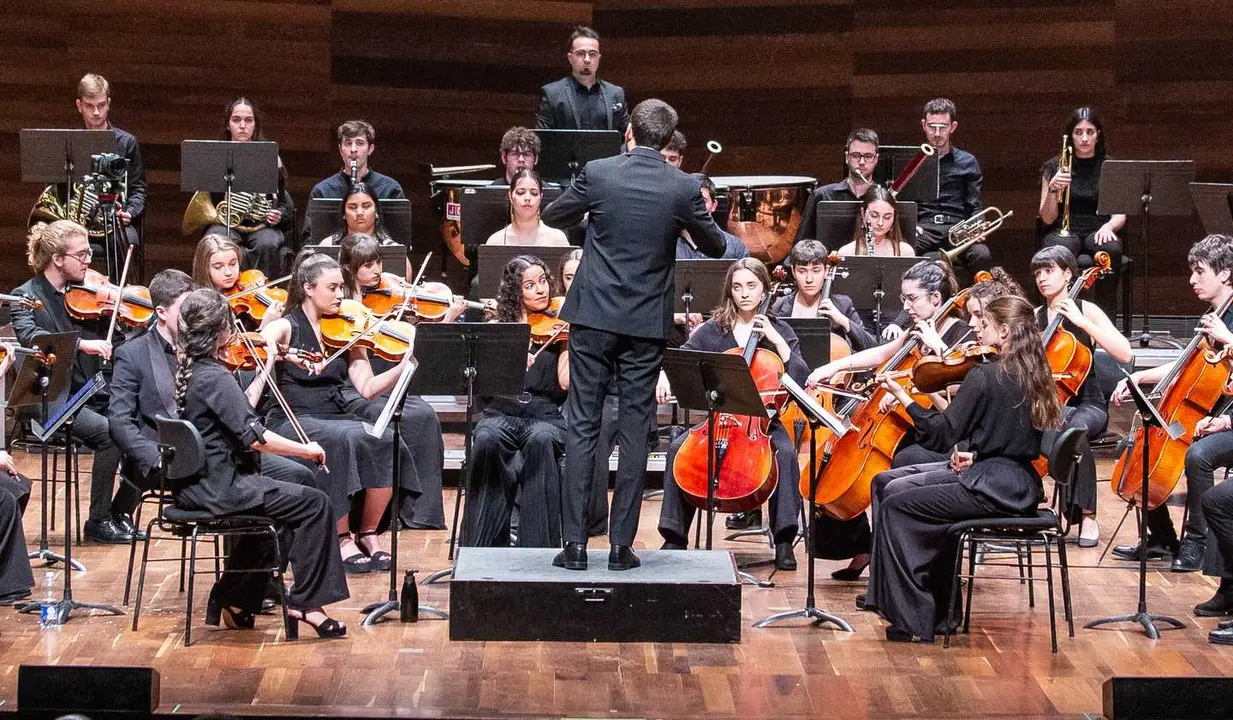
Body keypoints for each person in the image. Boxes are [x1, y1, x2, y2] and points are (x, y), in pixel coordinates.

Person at [542, 98, 725, 571]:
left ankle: (576, 546)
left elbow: (555, 215)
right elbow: (716, 245)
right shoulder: (683, 186)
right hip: (645, 323)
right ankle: (622, 548)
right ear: (668, 141)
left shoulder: (599, 173)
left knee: (581, 425)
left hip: (594, 317)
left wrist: (594, 227)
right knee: (636, 430)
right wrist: (681, 222)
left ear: (628, 131)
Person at [861, 294, 1062, 642]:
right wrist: (978, 455)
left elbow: (942, 435)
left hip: (993, 489)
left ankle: (915, 619)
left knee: (896, 503)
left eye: (983, 325)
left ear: (1004, 331)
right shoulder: (1035, 370)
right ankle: (936, 610)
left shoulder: (985, 375)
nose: (975, 329)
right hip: (1013, 482)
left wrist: (906, 398)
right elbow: (1014, 436)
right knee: (886, 482)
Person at [172, 288, 347, 638]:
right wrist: (306, 449)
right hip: (221, 488)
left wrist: (266, 364)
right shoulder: (215, 377)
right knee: (315, 505)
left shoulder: (198, 371)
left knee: (280, 514)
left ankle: (234, 600)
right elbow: (256, 438)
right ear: (219, 331)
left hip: (201, 484)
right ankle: (307, 603)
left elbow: (242, 410)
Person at [260, 251, 422, 573]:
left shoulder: (348, 331)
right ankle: (341, 536)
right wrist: (278, 347)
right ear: (308, 288)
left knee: (385, 438)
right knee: (344, 439)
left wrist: (405, 365)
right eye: (332, 288)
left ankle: (369, 532)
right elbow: (266, 338)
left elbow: (367, 388)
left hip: (334, 413)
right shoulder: (287, 326)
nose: (340, 295)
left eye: (341, 288)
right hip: (293, 418)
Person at [805, 260, 968, 580]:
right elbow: (882, 354)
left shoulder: (960, 334)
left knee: (889, 470)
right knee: (835, 461)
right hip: (904, 422)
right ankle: (865, 549)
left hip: (938, 432)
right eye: (903, 298)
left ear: (936, 299)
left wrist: (938, 352)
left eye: (911, 299)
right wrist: (832, 368)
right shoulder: (917, 330)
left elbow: (959, 397)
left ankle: (892, 568)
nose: (905, 306)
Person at [108, 268, 319, 506]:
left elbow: (238, 409)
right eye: (186, 309)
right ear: (161, 313)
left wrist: (273, 359)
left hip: (224, 452)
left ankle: (253, 540)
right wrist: (156, 458)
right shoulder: (133, 354)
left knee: (299, 475)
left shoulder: (211, 349)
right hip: (176, 459)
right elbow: (120, 420)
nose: (194, 316)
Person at [656, 259, 808, 570]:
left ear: (765, 288)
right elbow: (683, 359)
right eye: (737, 287)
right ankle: (674, 535)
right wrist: (663, 374)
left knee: (786, 455)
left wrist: (778, 342)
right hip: (720, 419)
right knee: (676, 449)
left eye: (751, 286)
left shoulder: (778, 329)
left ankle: (783, 540)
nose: (744, 294)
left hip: (763, 424)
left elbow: (800, 375)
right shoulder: (715, 328)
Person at [1111, 234, 1233, 572]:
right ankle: (1163, 537)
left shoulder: (1227, 320)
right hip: (1202, 411)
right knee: (1136, 444)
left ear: (1224, 274)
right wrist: (1140, 377)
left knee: (1199, 455)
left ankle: (1197, 540)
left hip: (1224, 416)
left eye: (1199, 271)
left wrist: (1229, 338)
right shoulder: (1216, 313)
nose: (1192, 280)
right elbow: (1189, 364)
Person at [11, 220, 132, 544]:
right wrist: (81, 343)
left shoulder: (84, 292)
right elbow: (31, 337)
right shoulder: (26, 296)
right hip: (48, 395)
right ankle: (98, 522)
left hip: (90, 388)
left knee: (141, 426)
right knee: (111, 435)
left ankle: (120, 513)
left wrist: (115, 301)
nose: (88, 261)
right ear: (57, 259)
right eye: (81, 255)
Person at [337, 233, 453, 529]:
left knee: (425, 416)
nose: (376, 270)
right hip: (358, 385)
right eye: (367, 265)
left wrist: (446, 316)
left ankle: (421, 514)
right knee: (393, 418)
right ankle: (383, 515)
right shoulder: (341, 302)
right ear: (350, 268)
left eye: (377, 262)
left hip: (392, 378)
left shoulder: (390, 288)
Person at [462, 255, 569, 547]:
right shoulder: (498, 324)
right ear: (515, 291)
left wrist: (571, 342)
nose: (541, 290)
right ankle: (482, 545)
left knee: (541, 439)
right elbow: (483, 381)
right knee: (486, 437)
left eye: (543, 281)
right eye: (530, 285)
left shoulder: (560, 327)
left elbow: (564, 382)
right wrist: (509, 356)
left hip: (544, 415)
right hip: (501, 411)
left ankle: (537, 547)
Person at [1032, 246, 1132, 547]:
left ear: (1067, 273)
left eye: (1048, 271)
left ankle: (1086, 516)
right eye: (1037, 273)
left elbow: (1124, 352)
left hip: (1088, 403)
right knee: (1059, 426)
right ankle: (1046, 508)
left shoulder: (1086, 310)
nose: (1042, 278)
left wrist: (1082, 322)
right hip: (1049, 405)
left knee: (1071, 430)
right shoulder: (1035, 317)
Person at [1038, 106, 1126, 314]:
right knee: (1059, 252)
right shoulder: (1054, 167)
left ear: (1098, 135)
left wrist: (1110, 226)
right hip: (1064, 229)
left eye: (1090, 132)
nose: (1085, 138)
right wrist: (1053, 189)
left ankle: (1106, 318)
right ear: (1070, 137)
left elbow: (1120, 214)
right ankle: (1057, 317)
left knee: (1111, 248)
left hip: (1099, 228)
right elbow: (1047, 218)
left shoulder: (1110, 166)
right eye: (1079, 133)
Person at [201, 98, 295, 277]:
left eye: (248, 120)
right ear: (228, 125)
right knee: (219, 241)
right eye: (236, 120)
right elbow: (208, 198)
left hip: (260, 226)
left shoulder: (270, 157)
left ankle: (262, 293)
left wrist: (278, 215)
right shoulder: (215, 156)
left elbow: (283, 203)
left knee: (267, 243)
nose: (242, 125)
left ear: (255, 125)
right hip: (224, 222)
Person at [558, 249, 614, 537]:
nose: (574, 282)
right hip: (557, 398)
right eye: (569, 277)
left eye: (580, 275)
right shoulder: (553, 314)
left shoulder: (608, 310)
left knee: (598, 425)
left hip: (604, 395)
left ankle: (591, 519)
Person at [914, 98, 990, 275]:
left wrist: (978, 226)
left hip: (957, 228)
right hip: (925, 229)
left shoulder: (968, 162)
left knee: (982, 254)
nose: (937, 133)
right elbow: (904, 203)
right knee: (903, 249)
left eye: (943, 127)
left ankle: (979, 301)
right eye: (932, 127)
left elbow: (975, 205)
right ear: (924, 125)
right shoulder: (913, 162)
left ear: (953, 127)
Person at [70, 73, 145, 250]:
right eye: (89, 106)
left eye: (101, 105)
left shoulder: (127, 142)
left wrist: (131, 212)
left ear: (108, 104)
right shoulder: (70, 142)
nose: (96, 112)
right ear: (79, 106)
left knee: (127, 241)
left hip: (114, 222)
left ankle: (122, 280)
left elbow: (138, 188)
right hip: (76, 224)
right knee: (56, 244)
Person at [302, 120, 405, 243]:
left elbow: (399, 239)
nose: (353, 149)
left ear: (370, 149)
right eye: (348, 143)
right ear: (340, 150)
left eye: (360, 143)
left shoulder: (390, 188)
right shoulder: (322, 190)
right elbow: (309, 240)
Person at [771, 240, 877, 351]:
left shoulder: (842, 305)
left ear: (826, 271)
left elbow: (872, 348)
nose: (809, 279)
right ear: (793, 271)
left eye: (816, 271)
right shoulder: (778, 306)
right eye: (802, 271)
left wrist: (843, 320)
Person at [795, 128, 880, 244]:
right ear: (847, 157)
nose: (861, 162)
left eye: (868, 156)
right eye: (855, 155)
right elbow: (802, 243)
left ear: (876, 159)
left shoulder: (883, 200)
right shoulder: (822, 195)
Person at [536, 25, 628, 132]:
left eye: (592, 54)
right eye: (581, 54)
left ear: (599, 58)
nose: (587, 59)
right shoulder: (552, 94)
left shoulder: (616, 94)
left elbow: (627, 137)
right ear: (570, 58)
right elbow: (543, 139)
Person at [192, 233, 285, 331]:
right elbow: (234, 345)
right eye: (218, 267)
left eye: (233, 264)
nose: (228, 273)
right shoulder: (201, 307)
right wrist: (265, 326)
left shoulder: (246, 284)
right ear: (204, 268)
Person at [485, 169, 570, 247]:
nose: (527, 198)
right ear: (510, 196)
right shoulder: (495, 241)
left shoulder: (558, 239)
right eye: (521, 192)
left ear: (540, 198)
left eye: (534, 193)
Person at [675, 175, 749, 260]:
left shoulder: (735, 248)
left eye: (703, 201)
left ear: (714, 205)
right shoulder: (666, 247)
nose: (696, 206)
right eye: (690, 200)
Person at [837, 186, 916, 257]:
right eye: (874, 216)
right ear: (863, 213)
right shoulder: (846, 253)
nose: (880, 223)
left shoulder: (905, 252)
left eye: (887, 217)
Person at [320, 182, 397, 246]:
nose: (359, 212)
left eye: (366, 206)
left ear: (376, 211)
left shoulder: (393, 249)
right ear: (344, 214)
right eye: (352, 207)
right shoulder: (327, 246)